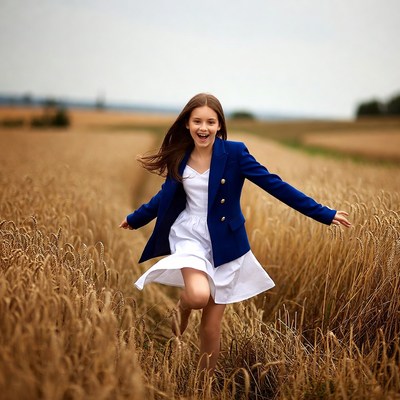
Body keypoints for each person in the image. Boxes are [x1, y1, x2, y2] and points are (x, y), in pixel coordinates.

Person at [119, 93, 351, 375]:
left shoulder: (235, 154)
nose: (203, 127)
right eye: (197, 121)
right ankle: (183, 304)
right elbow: (164, 197)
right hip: (190, 235)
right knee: (197, 297)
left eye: (210, 121)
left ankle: (203, 383)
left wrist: (323, 213)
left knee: (212, 323)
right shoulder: (180, 158)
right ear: (187, 125)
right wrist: (136, 218)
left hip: (226, 243)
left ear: (219, 125)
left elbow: (276, 185)